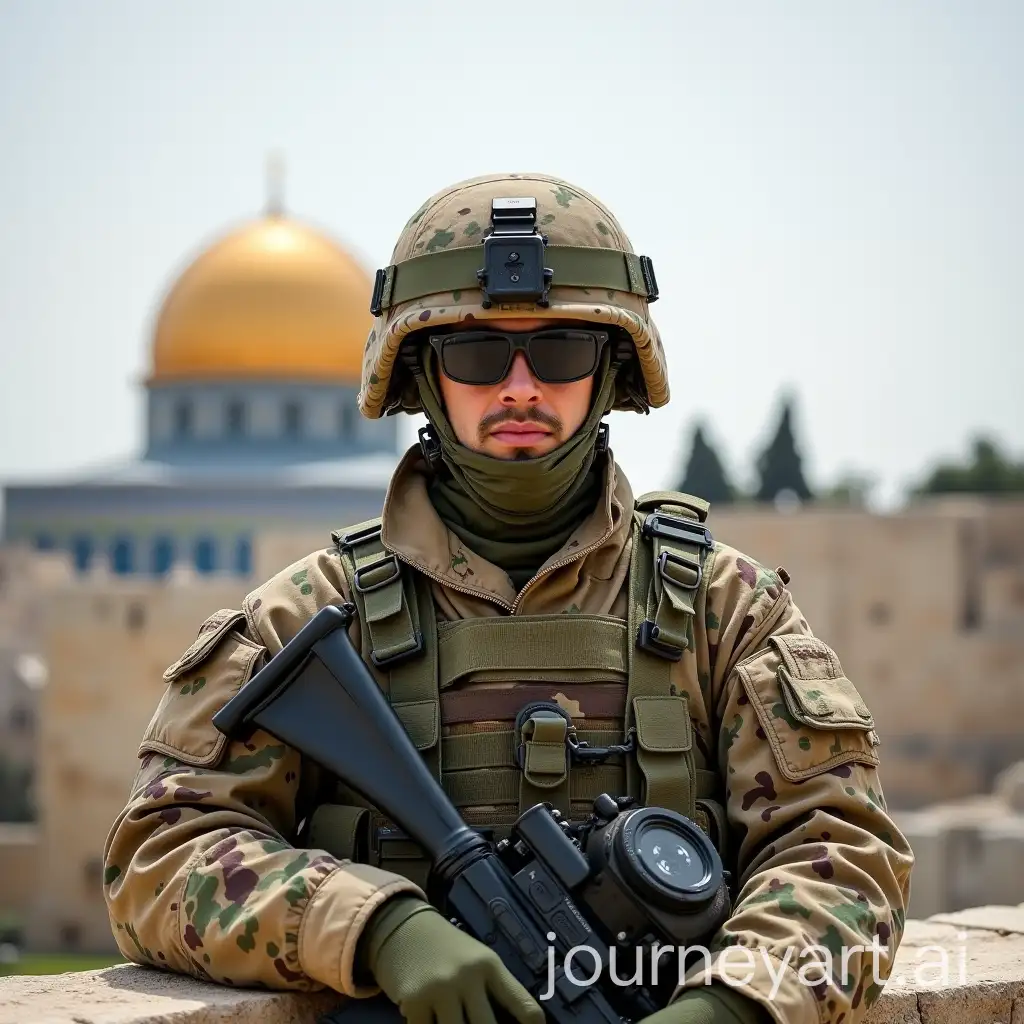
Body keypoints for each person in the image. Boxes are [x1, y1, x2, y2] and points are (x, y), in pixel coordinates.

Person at [103, 173, 913, 1024]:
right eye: (477, 355)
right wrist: (377, 928)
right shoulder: (306, 615)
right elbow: (158, 857)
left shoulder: (726, 610)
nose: (521, 388)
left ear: (610, 372)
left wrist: (736, 1006)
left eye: (561, 352)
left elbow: (844, 850)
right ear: (422, 372)